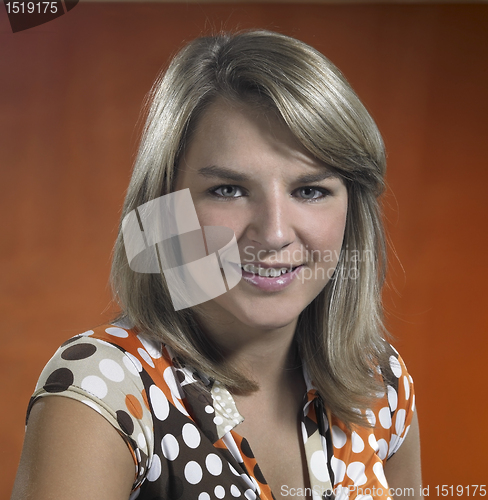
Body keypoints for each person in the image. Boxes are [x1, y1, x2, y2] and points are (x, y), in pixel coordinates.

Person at [11, 30, 422, 500]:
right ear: (165, 206)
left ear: (353, 211)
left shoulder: (379, 381)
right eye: (228, 190)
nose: (273, 233)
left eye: (309, 190)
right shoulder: (102, 391)